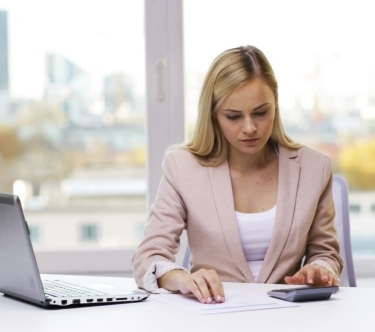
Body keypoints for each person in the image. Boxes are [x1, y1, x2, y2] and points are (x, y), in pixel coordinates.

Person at [132, 45, 343, 304]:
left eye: (260, 113)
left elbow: (327, 253)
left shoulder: (313, 167)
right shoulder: (182, 168)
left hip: (290, 318)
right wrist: (181, 278)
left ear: (275, 104)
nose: (250, 128)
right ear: (214, 115)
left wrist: (320, 270)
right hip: (213, 315)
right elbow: (148, 257)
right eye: (233, 116)